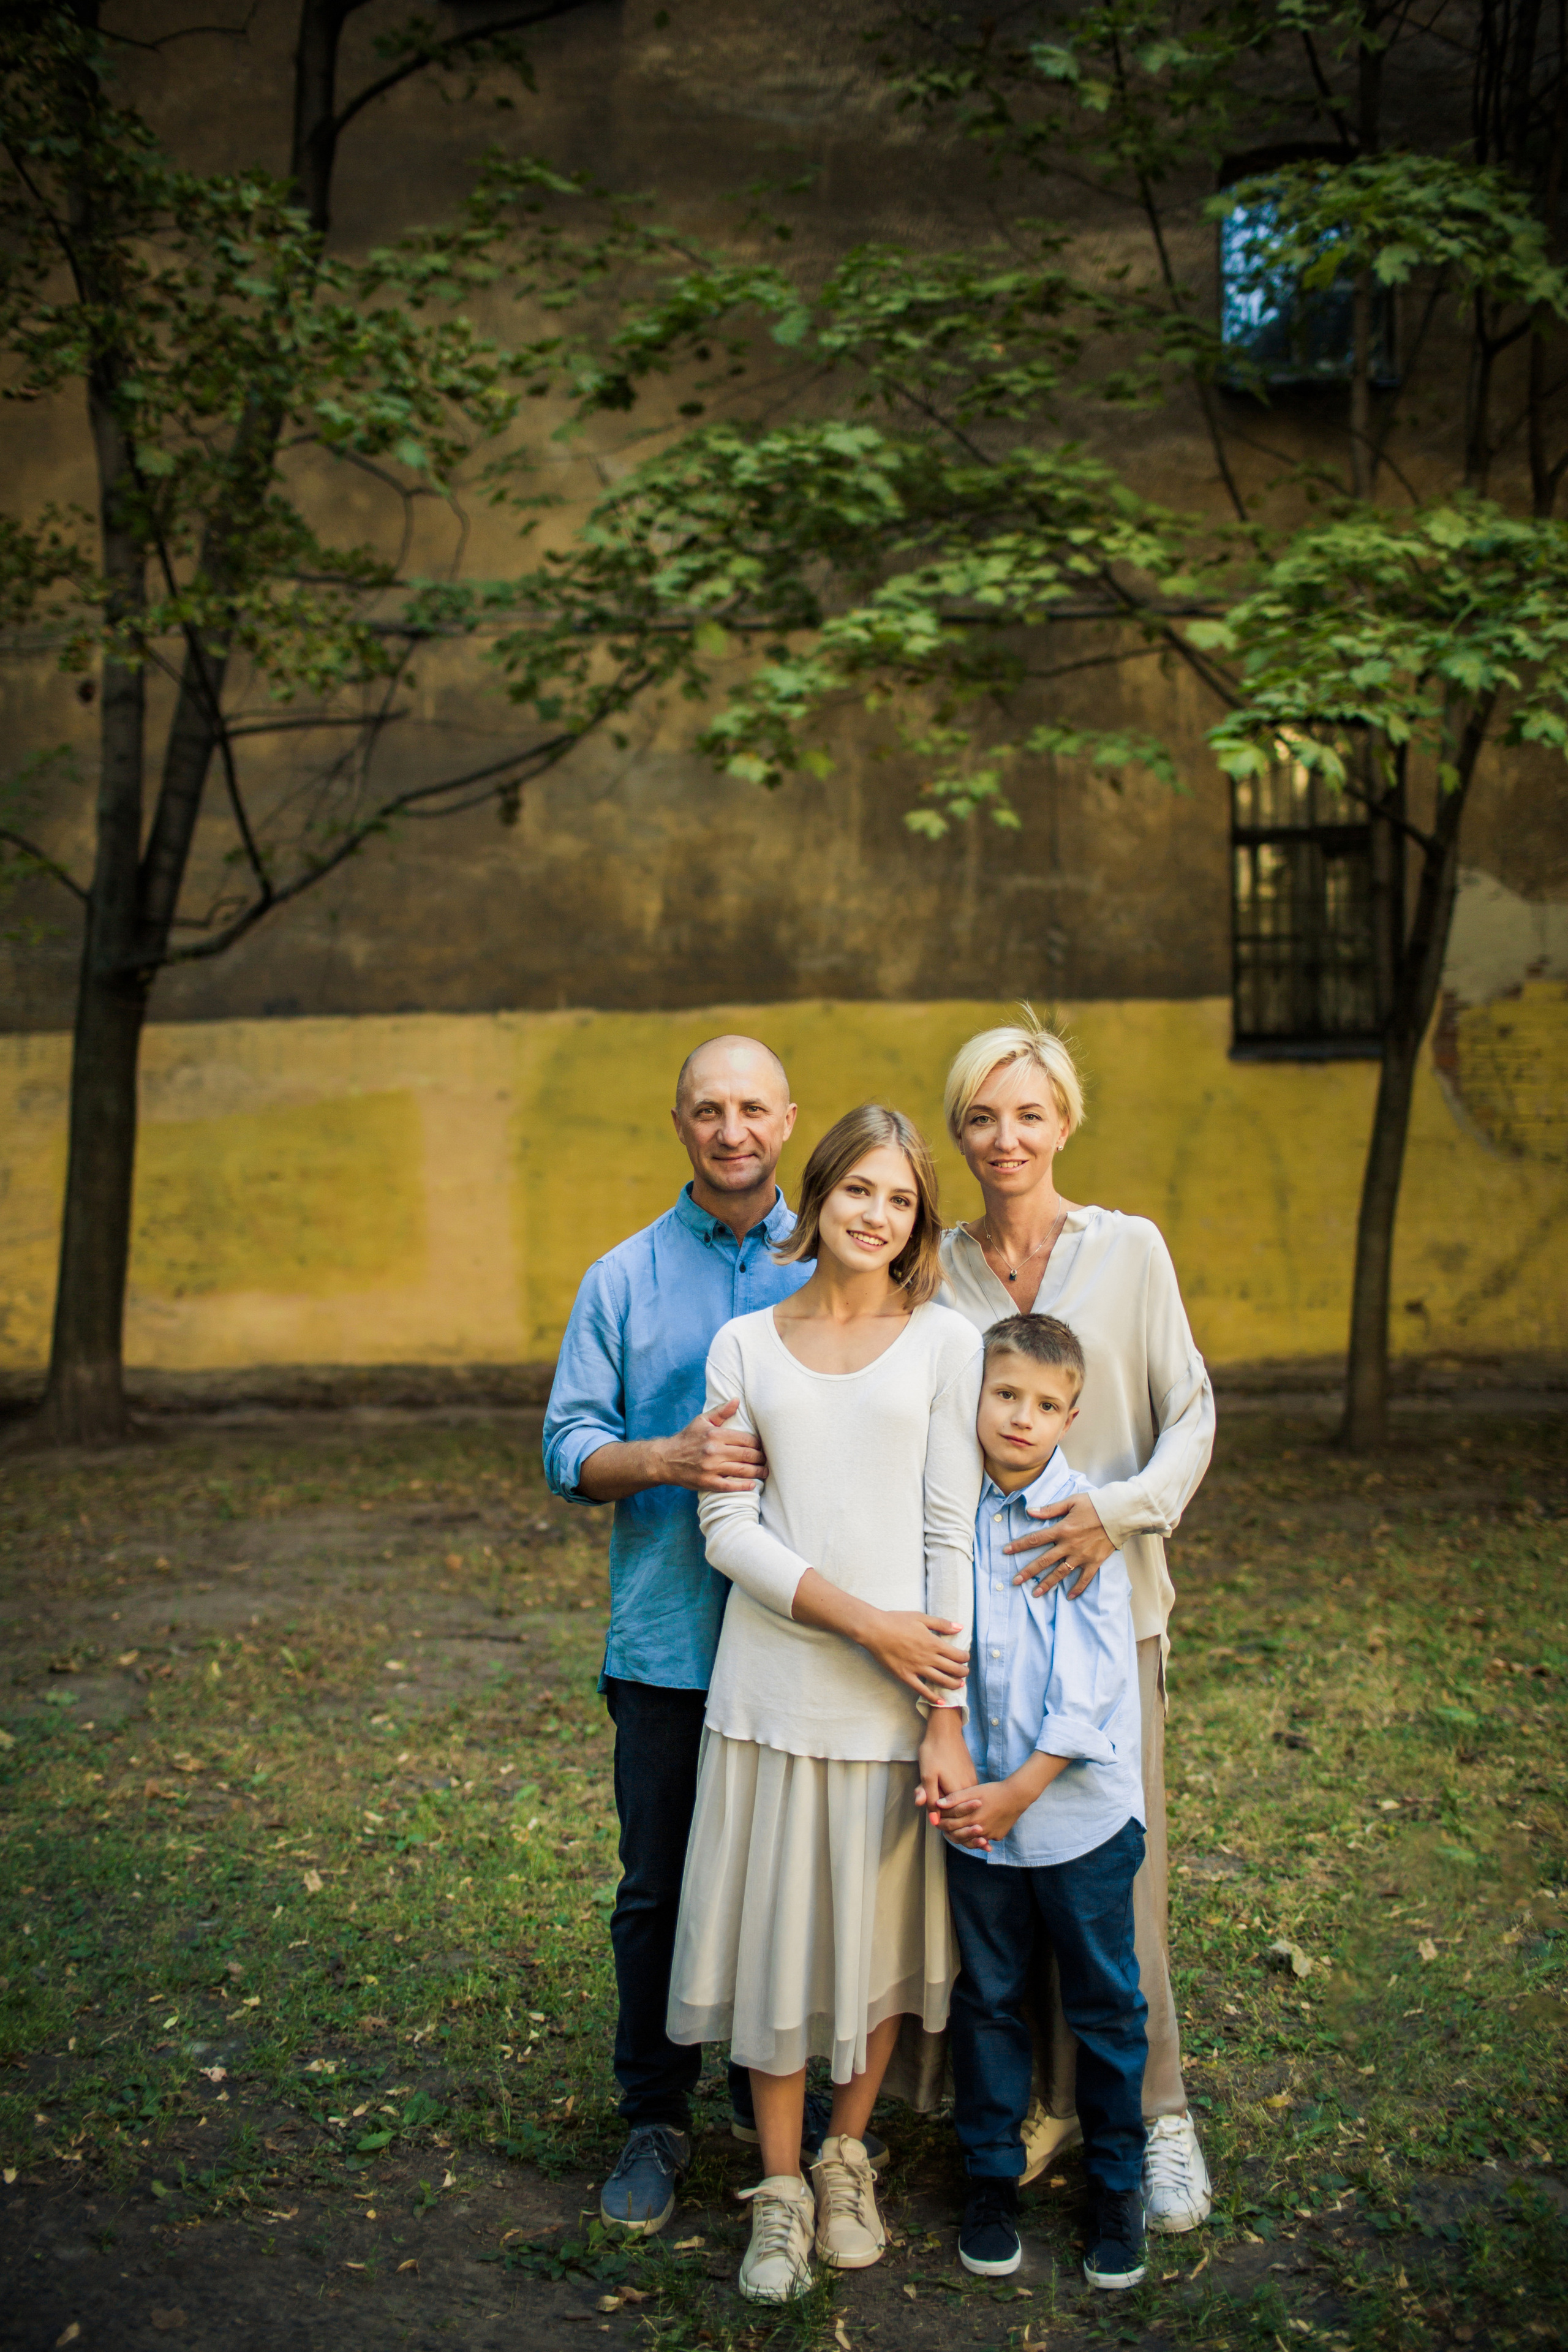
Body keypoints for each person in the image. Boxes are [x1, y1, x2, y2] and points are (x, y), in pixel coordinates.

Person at [666, 1104, 984, 2304]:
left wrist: (943, 1709)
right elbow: (726, 1528)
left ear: (916, 1224)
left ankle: (849, 2159)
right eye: (857, 1189)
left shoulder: (943, 1346)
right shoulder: (743, 1344)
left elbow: (948, 1532)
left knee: (874, 1942)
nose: (875, 1214)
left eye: (899, 1200)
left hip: (901, 1704)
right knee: (778, 1946)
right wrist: (866, 1623)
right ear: (817, 1196)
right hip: (773, 1691)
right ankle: (782, 2189)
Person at [543, 1034, 860, 2237]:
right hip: (672, 1639)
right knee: (659, 1889)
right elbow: (566, 1449)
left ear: (787, 1122)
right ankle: (654, 2115)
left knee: (794, 1883)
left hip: (806, 1639)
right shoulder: (618, 1279)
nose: (731, 1130)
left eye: (751, 1110)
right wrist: (665, 1456)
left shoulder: (836, 1261)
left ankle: (770, 2103)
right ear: (678, 1123)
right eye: (706, 1110)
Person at [937, 1009, 1215, 2234]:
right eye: (984, 1115)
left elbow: (1189, 1415)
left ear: (1066, 1123)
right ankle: (1036, 2109)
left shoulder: (1130, 1251)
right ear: (960, 1127)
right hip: (978, 1635)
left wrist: (1114, 1511)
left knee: (1111, 1879)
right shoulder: (931, 1268)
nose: (1007, 1136)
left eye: (1029, 1113)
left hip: (1108, 1616)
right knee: (998, 1877)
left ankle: (1156, 2120)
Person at [928, 1312, 1150, 2293]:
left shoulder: (1084, 1525)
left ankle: (1118, 2184)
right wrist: (986, 1793)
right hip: (976, 1818)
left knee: (1104, 2004)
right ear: (976, 1395)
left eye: (1046, 1405)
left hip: (1077, 1816)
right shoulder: (948, 1515)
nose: (1022, 1418)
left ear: (1073, 1416)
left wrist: (1020, 1790)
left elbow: (1096, 1684)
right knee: (988, 2002)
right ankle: (989, 2178)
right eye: (1005, 1394)